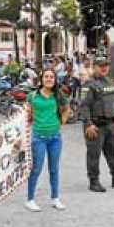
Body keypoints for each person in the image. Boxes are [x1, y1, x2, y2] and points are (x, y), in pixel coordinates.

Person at [79, 56, 114, 193]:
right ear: (94, 67)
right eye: (101, 65)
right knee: (94, 155)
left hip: (110, 124)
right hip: (95, 126)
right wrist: (88, 124)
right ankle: (94, 181)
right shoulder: (89, 84)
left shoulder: (110, 82)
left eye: (106, 65)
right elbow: (84, 106)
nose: (104, 68)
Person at [24, 68, 71, 212]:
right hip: (38, 138)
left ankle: (55, 198)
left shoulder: (58, 94)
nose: (49, 79)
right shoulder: (32, 96)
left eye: (52, 77)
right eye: (46, 76)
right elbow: (27, 113)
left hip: (55, 138)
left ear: (55, 79)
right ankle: (30, 199)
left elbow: (67, 109)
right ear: (41, 79)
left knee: (54, 169)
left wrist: (61, 122)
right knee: (36, 168)